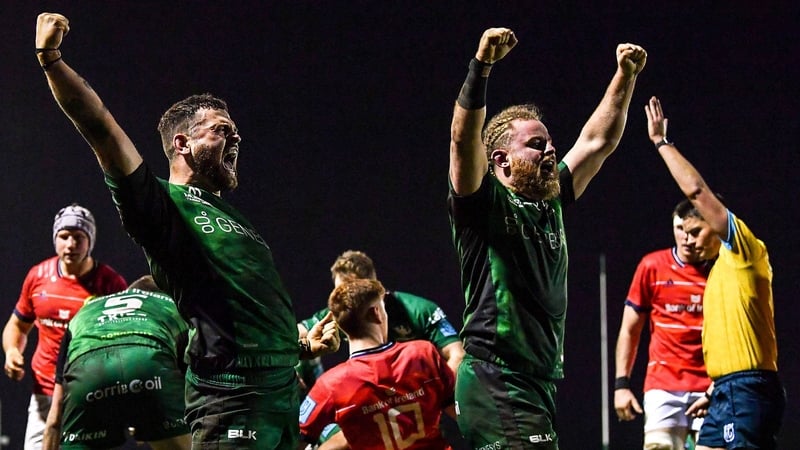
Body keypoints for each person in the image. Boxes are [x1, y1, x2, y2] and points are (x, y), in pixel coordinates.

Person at [34, 13, 340, 449]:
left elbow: (245, 304)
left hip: (281, 396)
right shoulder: (161, 207)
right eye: (221, 131)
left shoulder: (236, 218)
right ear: (182, 144)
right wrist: (51, 59)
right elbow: (101, 127)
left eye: (235, 133)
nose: (235, 140)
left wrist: (301, 347)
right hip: (232, 399)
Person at [447, 27, 646, 448]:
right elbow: (463, 139)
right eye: (537, 145)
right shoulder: (483, 202)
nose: (551, 151)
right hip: (496, 373)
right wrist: (480, 67)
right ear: (501, 159)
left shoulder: (551, 199)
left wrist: (624, 76)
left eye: (551, 142)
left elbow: (597, 140)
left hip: (537, 379)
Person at [646, 96, 785, 449]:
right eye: (684, 233)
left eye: (697, 230)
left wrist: (662, 143)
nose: (689, 240)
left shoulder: (743, 250)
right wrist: (713, 390)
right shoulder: (715, 275)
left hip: (748, 388)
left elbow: (696, 192)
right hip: (724, 392)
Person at [297, 250, 464, 448]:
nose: (346, 299)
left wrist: (430, 393)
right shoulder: (423, 353)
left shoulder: (330, 385)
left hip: (414, 403)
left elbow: (457, 355)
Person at [2, 203, 128, 450]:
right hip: (45, 392)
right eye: (64, 236)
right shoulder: (38, 276)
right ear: (55, 238)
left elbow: (123, 343)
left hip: (91, 393)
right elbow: (16, 325)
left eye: (79, 237)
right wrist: (12, 352)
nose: (70, 245)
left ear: (90, 240)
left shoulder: (110, 284)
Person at [613, 200, 718, 450]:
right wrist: (621, 385)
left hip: (711, 385)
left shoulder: (721, 270)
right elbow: (630, 329)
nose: (686, 238)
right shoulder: (652, 266)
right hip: (664, 386)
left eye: (694, 232)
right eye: (680, 229)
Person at [42, 275, 190, 450]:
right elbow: (193, 388)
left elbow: (54, 418)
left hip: (89, 373)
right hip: (147, 365)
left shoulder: (84, 312)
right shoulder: (173, 305)